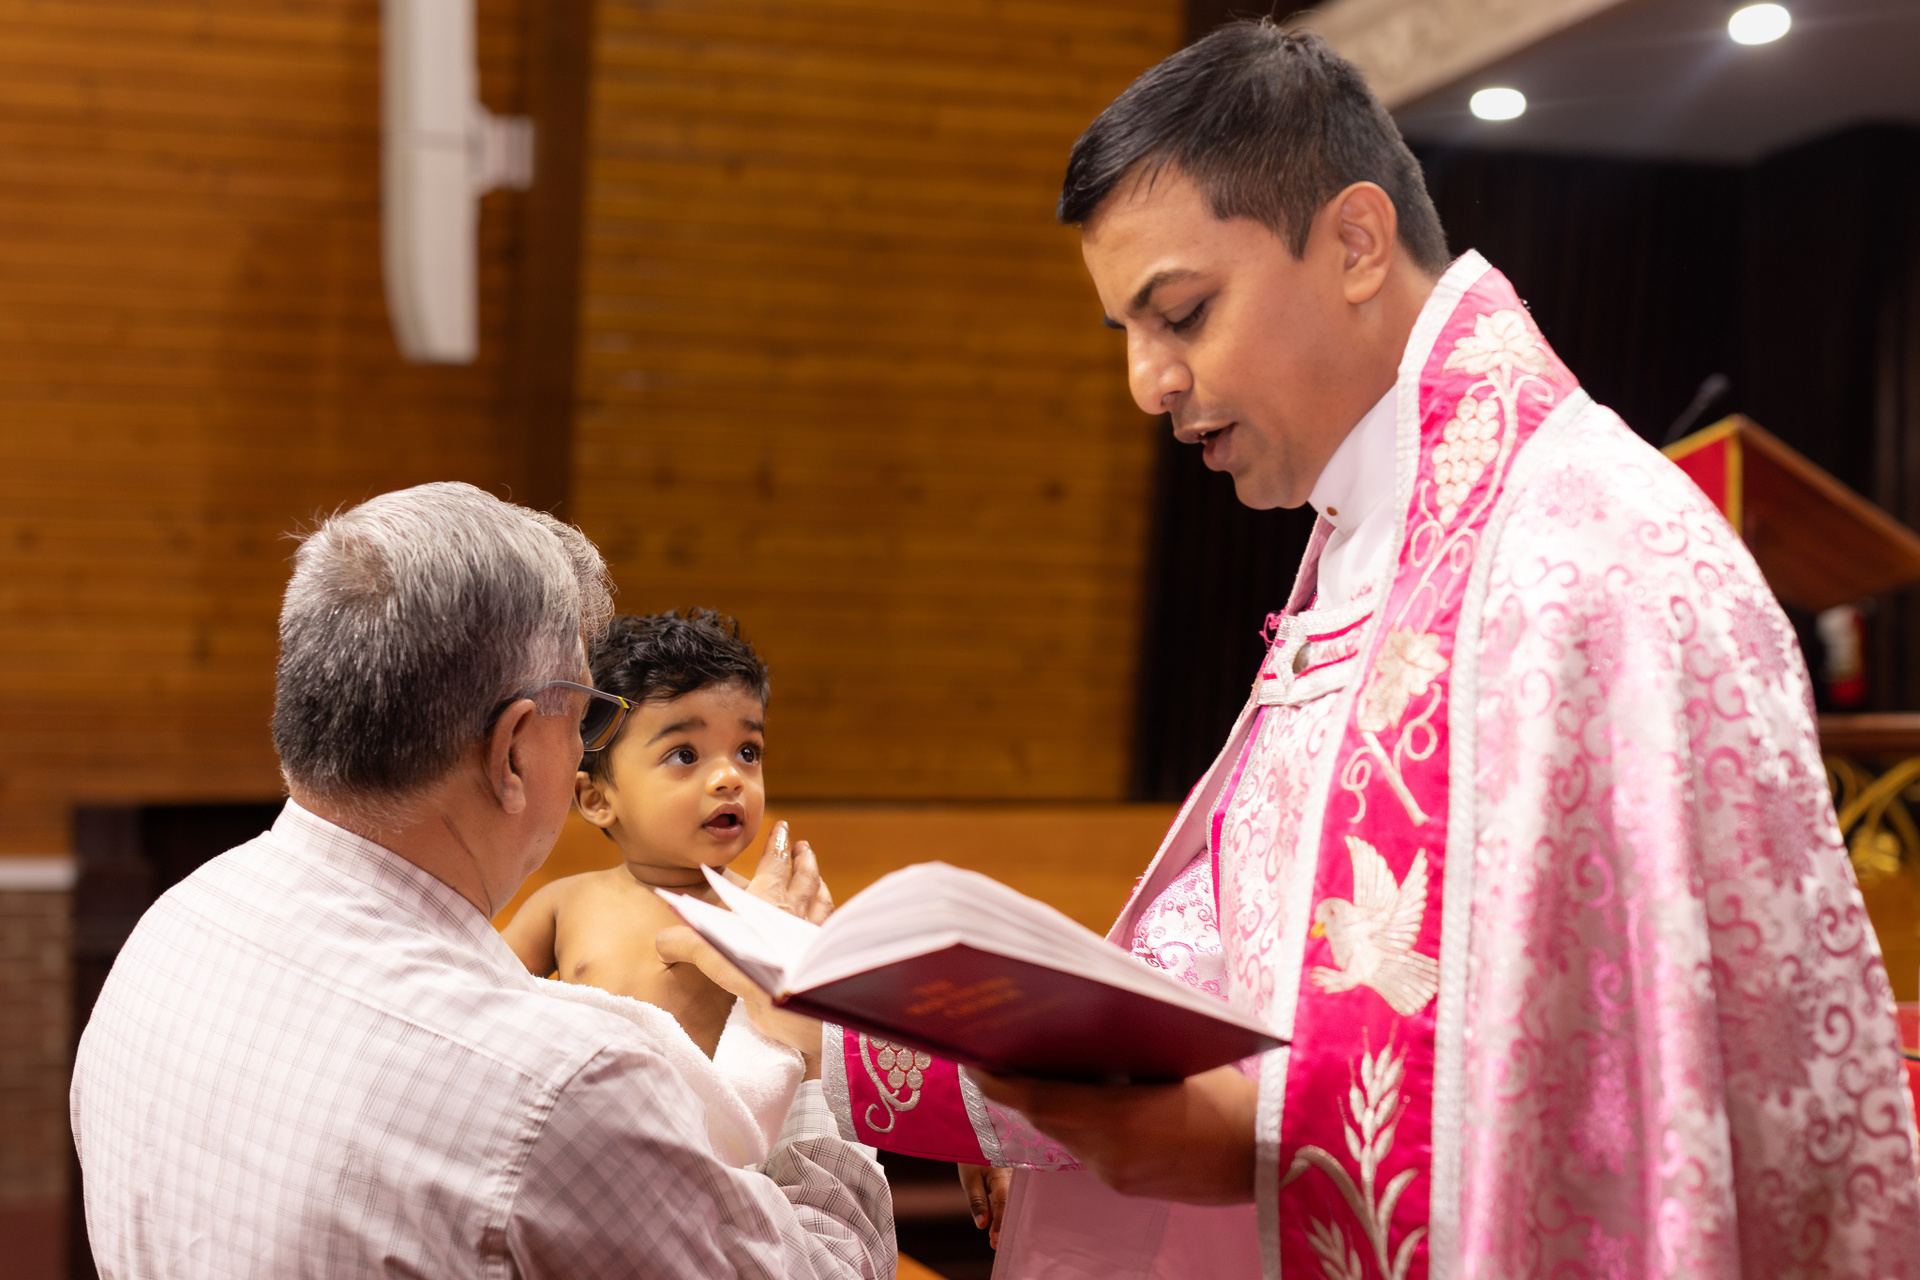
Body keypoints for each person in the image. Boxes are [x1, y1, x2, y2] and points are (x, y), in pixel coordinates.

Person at [769, 21, 1920, 1278]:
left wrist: (1245, 1140)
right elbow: (1243, 951)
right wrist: (860, 1021)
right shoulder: (1381, 534)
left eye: (1183, 313)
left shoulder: (1579, 562)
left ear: (1358, 242)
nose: (1149, 383)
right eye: (1128, 333)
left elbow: (1597, 1103)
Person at [69, 483, 894, 1279]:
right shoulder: (560, 1088)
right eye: (587, 716)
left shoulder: (173, 928)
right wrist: (798, 1040)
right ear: (514, 751)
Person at [503, 609, 825, 1058]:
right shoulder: (561, 904)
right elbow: (484, 1003)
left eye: (748, 752)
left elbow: (806, 1046)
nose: (730, 778)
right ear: (596, 799)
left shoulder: (762, 915)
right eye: (684, 755)